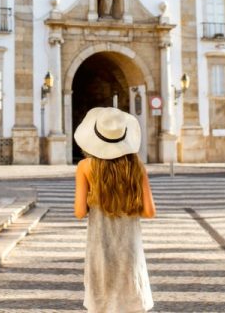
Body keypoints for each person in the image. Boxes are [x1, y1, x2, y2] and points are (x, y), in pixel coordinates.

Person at [74, 107, 156, 313]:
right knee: (130, 303)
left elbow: (79, 211)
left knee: (102, 303)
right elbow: (149, 211)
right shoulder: (136, 166)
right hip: (130, 249)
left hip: (100, 247)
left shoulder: (85, 167)